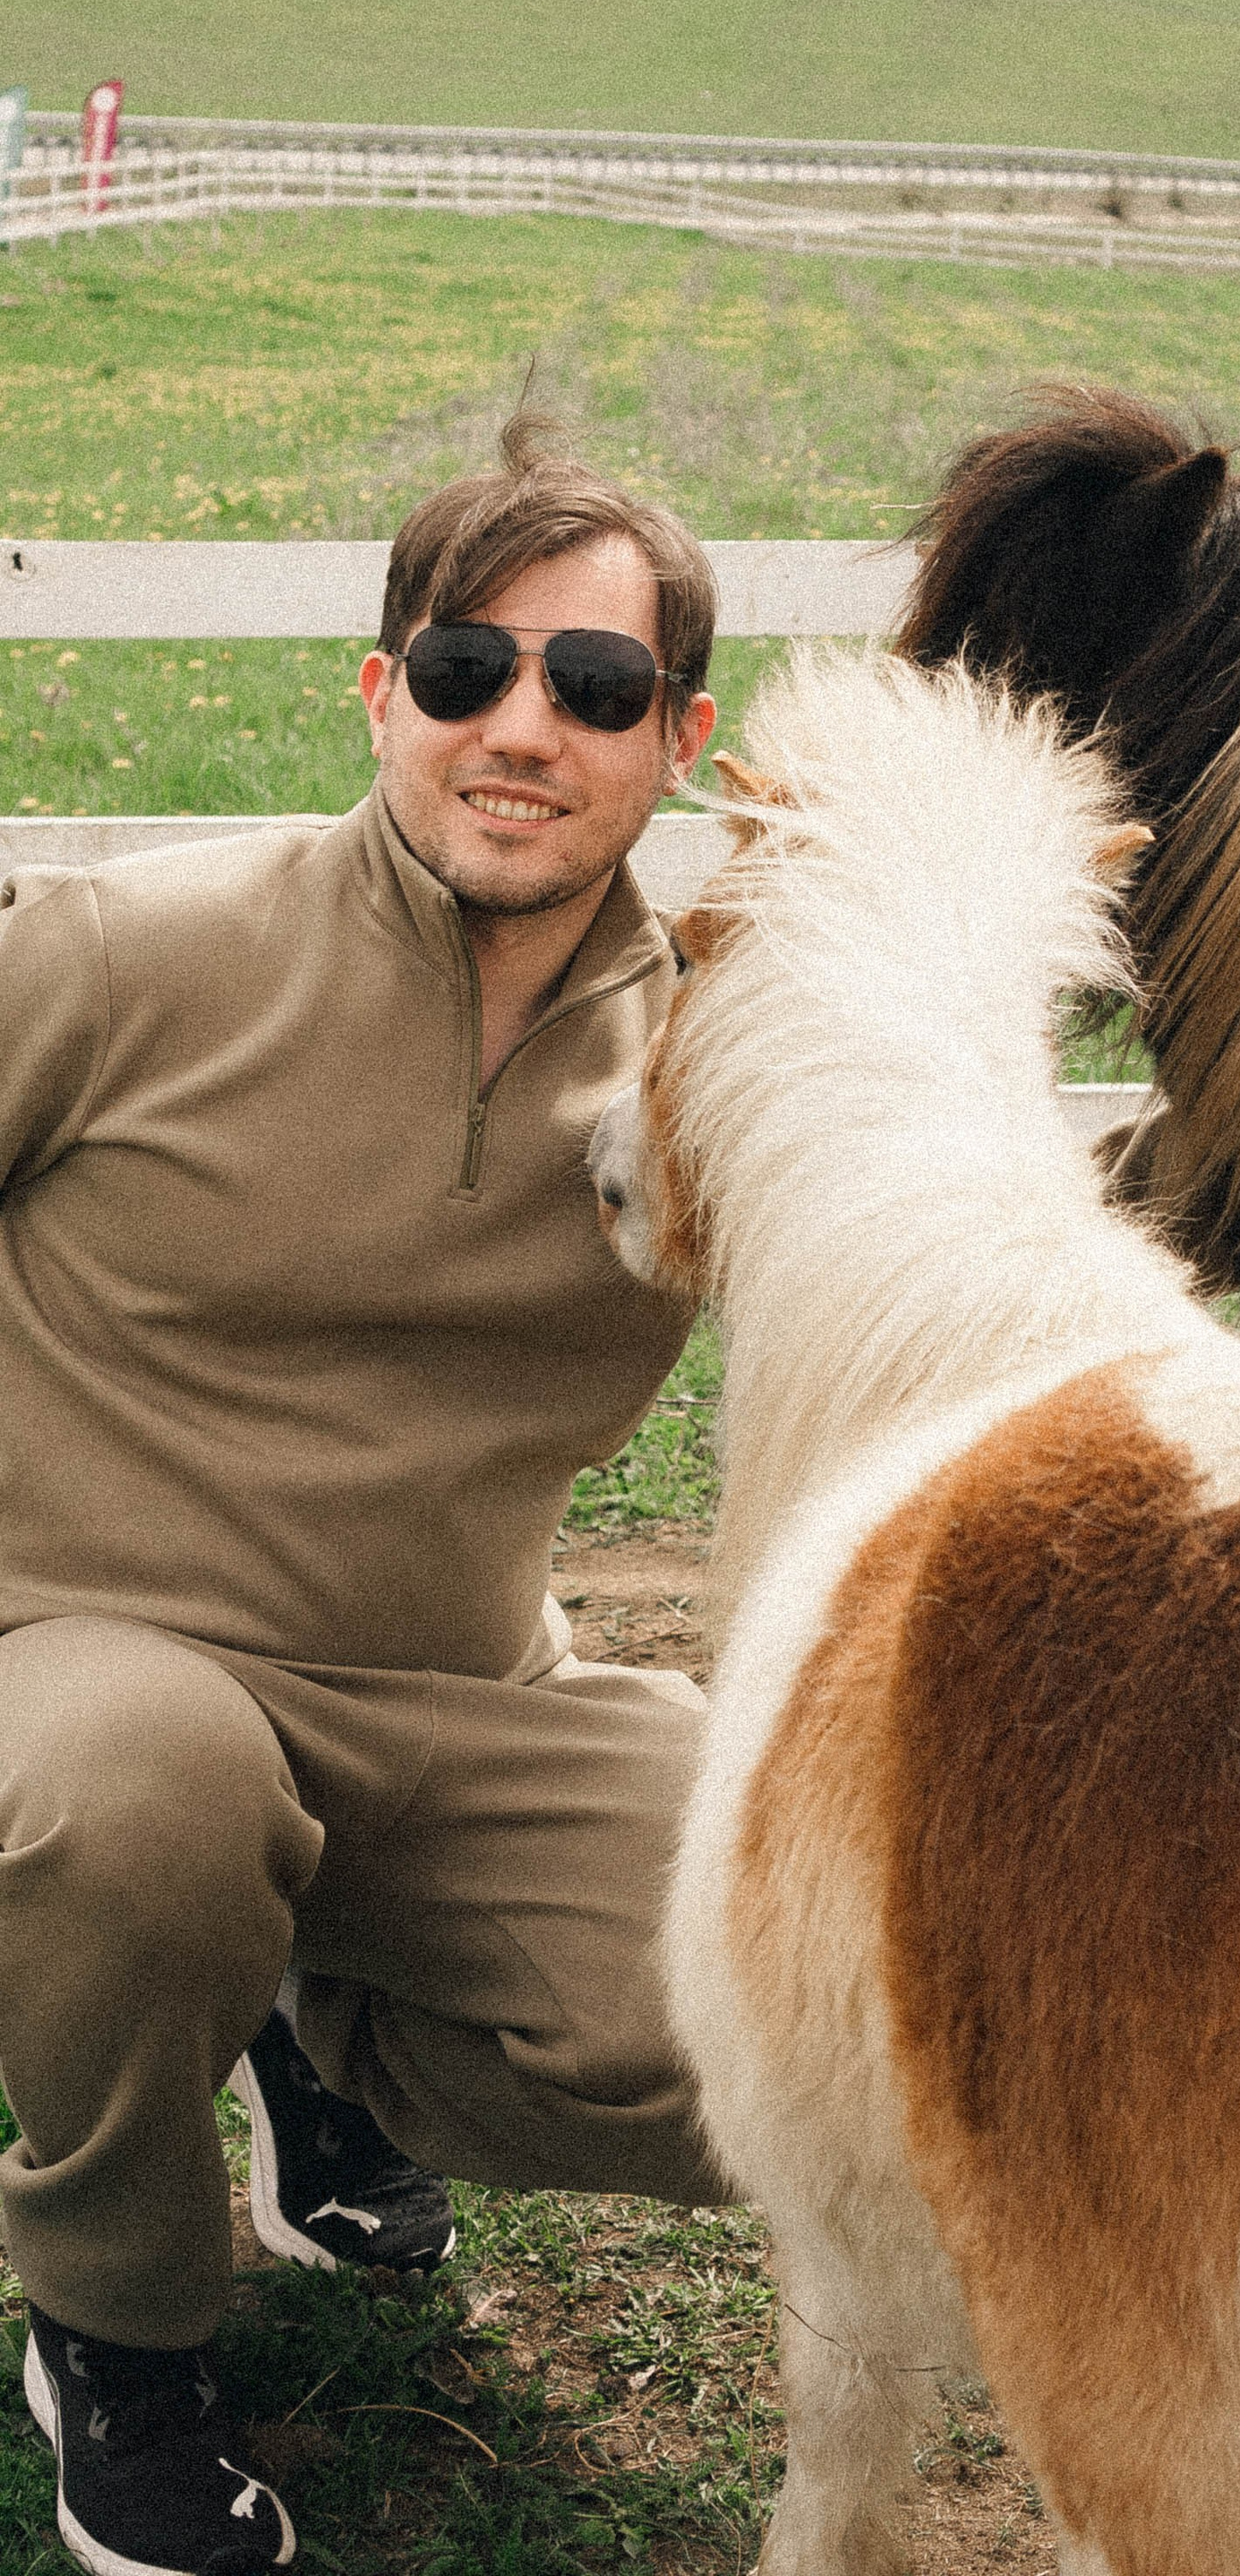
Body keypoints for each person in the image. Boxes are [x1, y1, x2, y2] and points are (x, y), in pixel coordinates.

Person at [0, 416, 733, 2576]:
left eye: (594, 691)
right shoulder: (131, 953)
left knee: (799, 2001)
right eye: (463, 667)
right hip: (88, 1675)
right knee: (136, 1799)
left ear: (677, 739)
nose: (523, 729)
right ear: (379, 693)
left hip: (458, 1705)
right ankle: (124, 2337)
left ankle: (320, 2036)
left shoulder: (720, 1065)